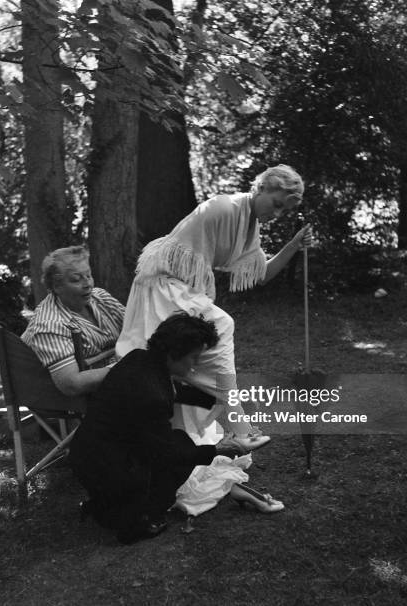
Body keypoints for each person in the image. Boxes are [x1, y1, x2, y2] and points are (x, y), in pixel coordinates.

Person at [115, 164, 312, 513]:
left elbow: (261, 273)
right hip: (163, 286)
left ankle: (202, 442)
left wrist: (294, 244)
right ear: (262, 188)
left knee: (191, 363)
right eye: (276, 203)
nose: (277, 213)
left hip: (181, 290)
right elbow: (183, 259)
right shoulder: (224, 207)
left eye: (285, 210)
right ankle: (237, 425)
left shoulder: (248, 225)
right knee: (220, 326)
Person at [69, 313, 249, 544]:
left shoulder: (138, 359)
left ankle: (107, 504)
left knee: (179, 439)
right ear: (175, 353)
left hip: (86, 453)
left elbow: (171, 389)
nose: (195, 367)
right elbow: (167, 454)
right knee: (179, 456)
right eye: (194, 358)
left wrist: (212, 399)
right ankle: (134, 521)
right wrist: (216, 451)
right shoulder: (151, 395)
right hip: (108, 467)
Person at [21, 246, 124, 396]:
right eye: (76, 279)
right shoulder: (50, 324)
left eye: (88, 276)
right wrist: (126, 368)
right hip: (74, 399)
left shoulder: (101, 298)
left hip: (112, 385)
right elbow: (71, 384)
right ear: (57, 286)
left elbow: (137, 329)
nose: (87, 284)